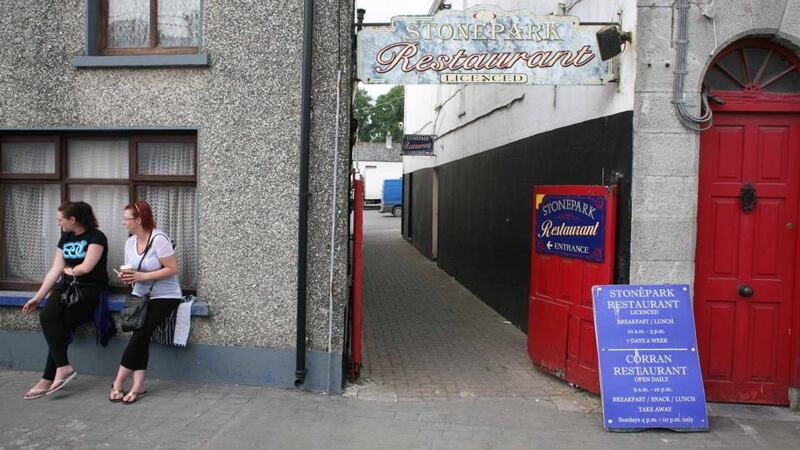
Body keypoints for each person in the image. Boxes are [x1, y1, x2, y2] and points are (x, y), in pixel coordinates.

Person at [21, 201, 109, 399]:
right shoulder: (66, 237)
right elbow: (55, 269)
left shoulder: (96, 237)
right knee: (47, 316)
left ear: (73, 220)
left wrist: (70, 271)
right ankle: (63, 367)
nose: (58, 223)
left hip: (88, 289)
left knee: (62, 325)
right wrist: (37, 297)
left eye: (61, 220)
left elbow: (86, 267)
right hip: (66, 288)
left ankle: (47, 378)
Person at [111, 200, 182, 404]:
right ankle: (138, 386)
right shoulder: (129, 243)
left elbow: (172, 269)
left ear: (139, 220)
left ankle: (118, 382)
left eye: (126, 219)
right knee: (140, 336)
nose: (123, 222)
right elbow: (133, 270)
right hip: (140, 295)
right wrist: (127, 278)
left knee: (141, 333)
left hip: (165, 295)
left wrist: (143, 276)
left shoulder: (159, 239)